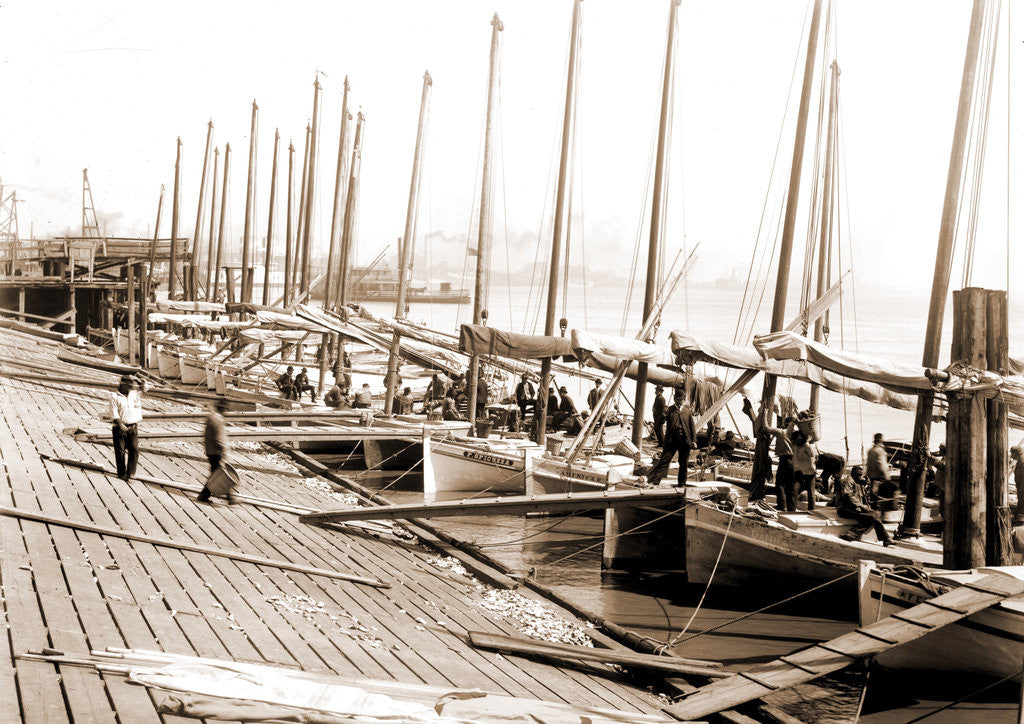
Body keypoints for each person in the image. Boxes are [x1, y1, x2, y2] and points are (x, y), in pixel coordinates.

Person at [645, 388, 697, 487]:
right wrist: (664, 414)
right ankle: (655, 482)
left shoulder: (687, 411)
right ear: (674, 399)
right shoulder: (669, 410)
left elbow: (692, 427)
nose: (680, 401)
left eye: (681, 399)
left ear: (684, 400)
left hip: (684, 440)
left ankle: (682, 484)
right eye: (678, 399)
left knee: (683, 464)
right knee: (664, 462)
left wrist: (694, 440)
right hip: (671, 440)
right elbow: (659, 422)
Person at [837, 466, 893, 546]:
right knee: (872, 517)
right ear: (852, 473)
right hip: (844, 509)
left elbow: (865, 496)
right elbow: (848, 495)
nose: (859, 477)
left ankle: (851, 533)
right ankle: (886, 539)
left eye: (860, 475)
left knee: (874, 515)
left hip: (854, 508)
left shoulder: (860, 483)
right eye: (857, 474)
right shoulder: (848, 481)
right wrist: (861, 506)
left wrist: (867, 484)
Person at [197, 399, 236, 504]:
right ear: (223, 409)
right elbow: (219, 438)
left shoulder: (211, 417)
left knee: (217, 474)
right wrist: (225, 451)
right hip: (216, 451)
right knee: (219, 475)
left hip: (210, 450)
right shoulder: (218, 420)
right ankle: (204, 496)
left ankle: (230, 498)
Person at [110, 374, 144, 482]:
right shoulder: (114, 397)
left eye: (131, 386)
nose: (131, 388)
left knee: (134, 450)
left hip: (133, 426)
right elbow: (114, 413)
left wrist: (138, 380)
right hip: (120, 427)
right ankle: (121, 473)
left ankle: (131, 473)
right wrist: (120, 424)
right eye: (129, 386)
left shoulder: (134, 394)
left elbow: (144, 387)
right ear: (122, 385)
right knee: (120, 451)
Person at [763, 416, 797, 511]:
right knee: (791, 485)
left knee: (780, 483)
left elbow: (766, 428)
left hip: (785, 460)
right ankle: (792, 508)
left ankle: (781, 505)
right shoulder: (797, 434)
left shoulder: (781, 432)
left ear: (786, 424)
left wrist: (764, 415)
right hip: (795, 461)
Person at [866, 433, 898, 511]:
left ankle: (873, 510)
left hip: (871, 477)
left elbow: (868, 464)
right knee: (883, 496)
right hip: (879, 478)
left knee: (873, 496)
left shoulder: (870, 450)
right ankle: (883, 510)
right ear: (881, 440)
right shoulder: (880, 451)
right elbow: (881, 465)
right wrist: (887, 477)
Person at [790, 430, 819, 511]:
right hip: (799, 470)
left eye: (799, 440)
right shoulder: (795, 446)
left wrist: (807, 443)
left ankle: (811, 509)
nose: (798, 441)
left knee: (811, 492)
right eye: (797, 440)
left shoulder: (808, 446)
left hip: (809, 471)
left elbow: (812, 455)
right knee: (794, 490)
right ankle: (792, 508)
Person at [1012, 446, 1024, 521]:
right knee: (1021, 501)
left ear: (1016, 454)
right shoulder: (1019, 462)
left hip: (1022, 487)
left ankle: (1020, 519)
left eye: (1012, 454)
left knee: (1022, 502)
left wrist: (1021, 488)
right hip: (1020, 487)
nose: (1011, 456)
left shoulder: (1022, 463)